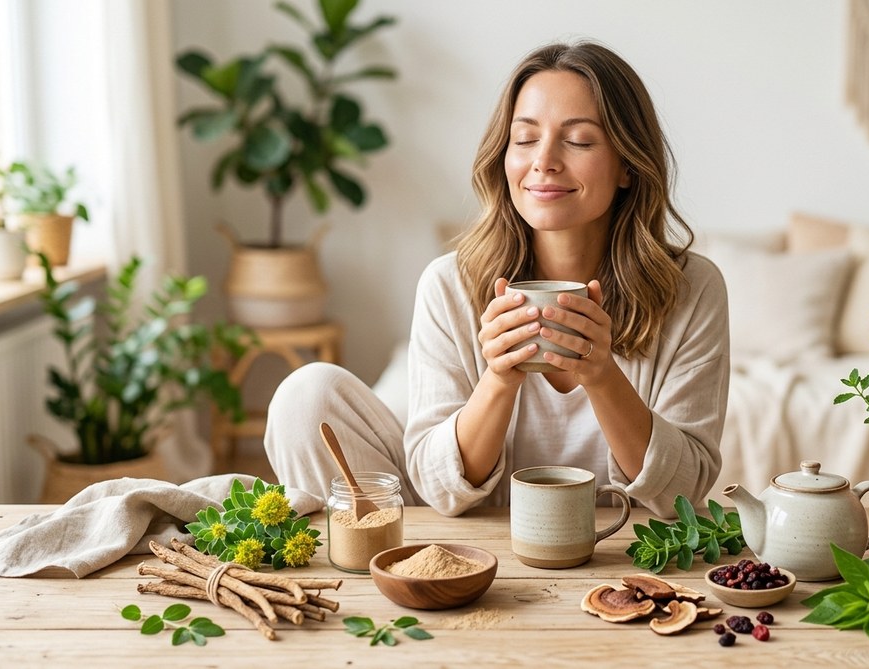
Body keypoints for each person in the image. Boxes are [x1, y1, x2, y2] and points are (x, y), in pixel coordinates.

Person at [264, 40, 730, 518]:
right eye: (525, 139)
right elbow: (438, 489)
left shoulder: (691, 288)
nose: (543, 161)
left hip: (622, 560)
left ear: (629, 165)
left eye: (579, 140)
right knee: (308, 395)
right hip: (463, 547)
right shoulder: (450, 284)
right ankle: (389, 576)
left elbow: (682, 497)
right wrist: (499, 379)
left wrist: (602, 375)